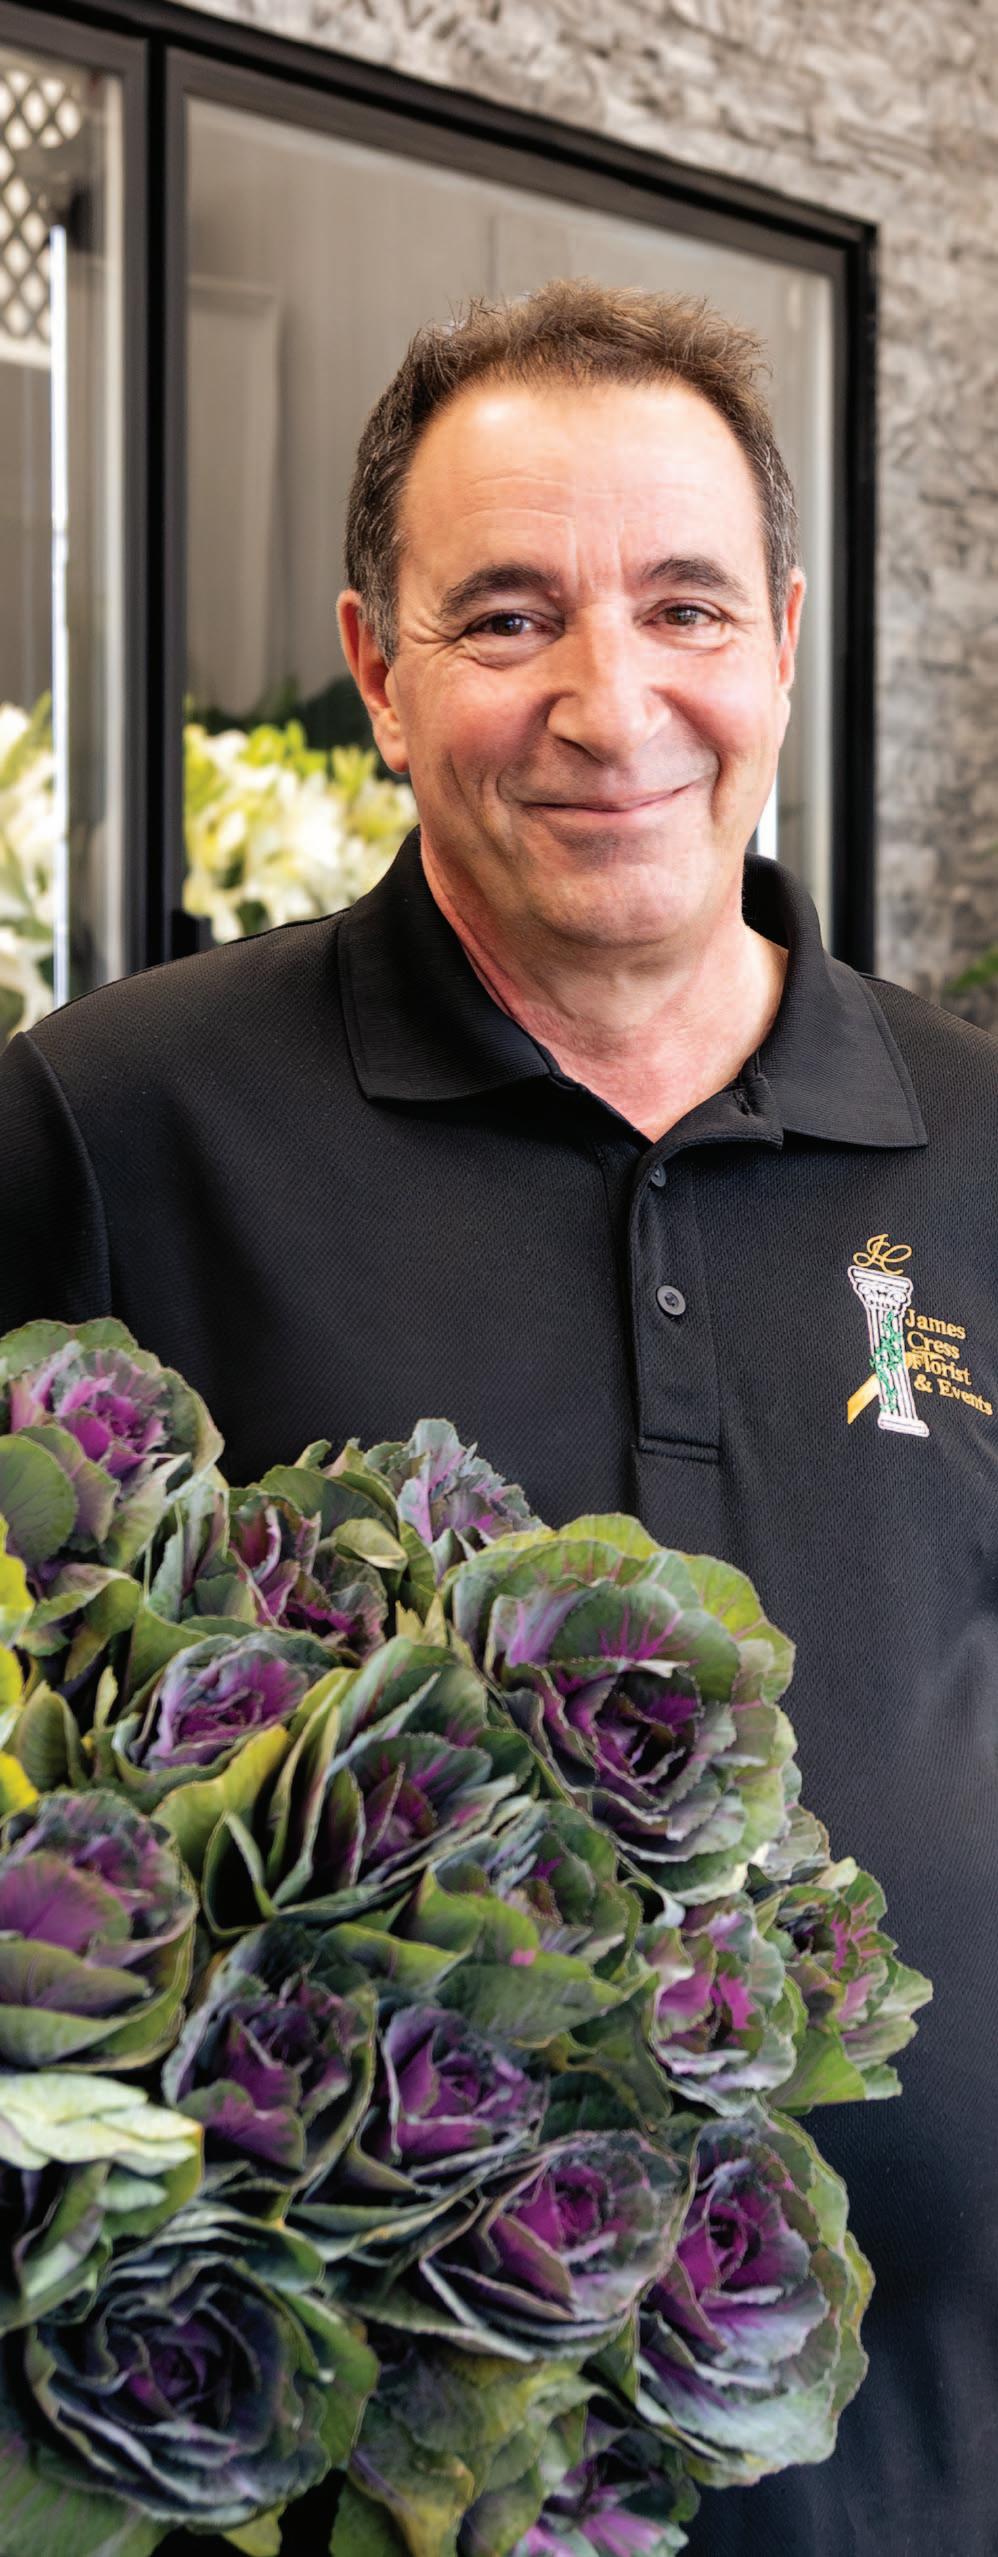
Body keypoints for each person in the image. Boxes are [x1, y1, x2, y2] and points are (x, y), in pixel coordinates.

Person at [1, 281, 996, 2556]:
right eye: (508, 616)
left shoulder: (984, 1144)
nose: (608, 703)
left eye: (683, 607)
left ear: (783, 639)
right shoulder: (116, 1130)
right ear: (376, 667)